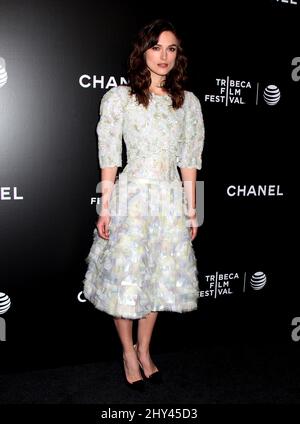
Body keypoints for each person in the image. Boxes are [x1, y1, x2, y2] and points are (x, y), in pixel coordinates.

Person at [82, 18, 205, 390]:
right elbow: (109, 155)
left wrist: (193, 209)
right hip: (132, 196)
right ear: (143, 51)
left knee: (156, 279)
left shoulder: (188, 103)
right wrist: (106, 206)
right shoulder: (120, 98)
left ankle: (145, 349)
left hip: (168, 200)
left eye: (171, 48)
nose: (164, 56)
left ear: (177, 55)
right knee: (128, 280)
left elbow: (190, 160)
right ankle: (127, 351)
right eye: (156, 47)